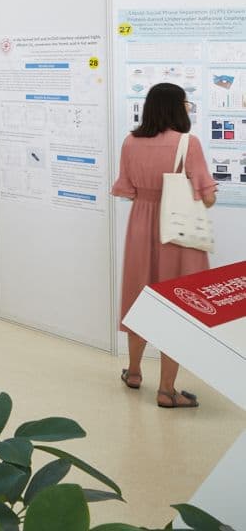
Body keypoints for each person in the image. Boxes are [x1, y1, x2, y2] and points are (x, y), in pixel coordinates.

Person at [111, 82, 215, 409]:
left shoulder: (130, 142)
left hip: (141, 228)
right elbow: (208, 198)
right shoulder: (189, 143)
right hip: (178, 234)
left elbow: (126, 190)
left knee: (140, 296)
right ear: (174, 107)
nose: (188, 108)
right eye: (185, 103)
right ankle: (167, 390)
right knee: (176, 306)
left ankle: (135, 373)